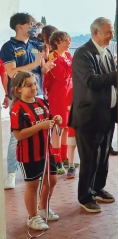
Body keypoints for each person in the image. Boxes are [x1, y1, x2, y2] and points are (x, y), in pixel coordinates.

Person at [1, 13, 56, 189]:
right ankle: (11, 173)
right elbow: (12, 73)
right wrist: (35, 64)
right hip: (19, 97)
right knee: (16, 135)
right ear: (20, 26)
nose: (34, 27)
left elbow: (40, 70)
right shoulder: (8, 47)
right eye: (30, 24)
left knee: (40, 132)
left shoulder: (35, 45)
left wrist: (45, 67)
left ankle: (39, 170)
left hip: (38, 95)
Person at [68, 17, 117, 212]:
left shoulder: (106, 52)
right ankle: (85, 196)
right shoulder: (83, 54)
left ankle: (98, 188)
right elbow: (92, 81)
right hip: (89, 117)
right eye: (108, 32)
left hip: (107, 115)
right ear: (95, 33)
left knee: (103, 156)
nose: (111, 36)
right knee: (90, 158)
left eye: (112, 32)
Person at [10, 71, 61, 230]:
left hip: (46, 150)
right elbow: (18, 135)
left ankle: (43, 209)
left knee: (51, 180)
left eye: (34, 83)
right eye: (28, 85)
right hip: (29, 154)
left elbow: (48, 118)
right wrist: (40, 126)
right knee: (32, 185)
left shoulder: (41, 102)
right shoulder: (17, 108)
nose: (33, 88)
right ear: (19, 89)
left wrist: (56, 119)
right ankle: (32, 217)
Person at [45, 31, 73, 175]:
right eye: (65, 41)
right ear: (56, 42)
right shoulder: (52, 56)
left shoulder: (68, 55)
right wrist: (71, 68)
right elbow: (62, 76)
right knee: (58, 127)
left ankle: (65, 156)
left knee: (67, 127)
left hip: (68, 94)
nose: (69, 44)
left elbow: (73, 74)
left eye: (69, 41)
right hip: (57, 95)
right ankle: (57, 160)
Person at [66, 87, 77, 179]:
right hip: (75, 122)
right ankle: (71, 165)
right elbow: (69, 107)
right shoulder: (72, 91)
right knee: (72, 144)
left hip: (87, 123)